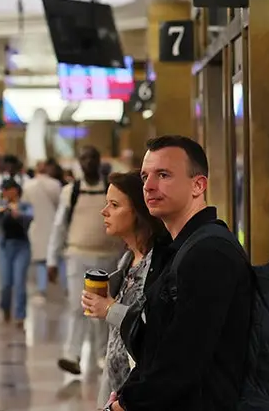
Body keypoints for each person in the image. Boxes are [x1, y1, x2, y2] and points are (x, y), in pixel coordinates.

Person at [105, 136, 252, 411]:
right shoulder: (175, 249)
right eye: (145, 176)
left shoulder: (210, 252)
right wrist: (126, 395)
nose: (148, 186)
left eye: (163, 175)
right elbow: (158, 349)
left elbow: (183, 361)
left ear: (198, 185)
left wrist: (125, 404)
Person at [82, 170, 167, 407]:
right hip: (117, 390)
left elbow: (152, 329)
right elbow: (115, 345)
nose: (104, 211)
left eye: (114, 205)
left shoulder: (157, 264)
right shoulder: (127, 260)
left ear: (138, 212)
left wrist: (109, 308)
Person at [48, 146, 121, 376]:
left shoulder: (109, 190)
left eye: (92, 158)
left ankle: (102, 355)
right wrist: (52, 258)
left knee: (101, 308)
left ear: (99, 161)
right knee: (76, 306)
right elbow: (59, 226)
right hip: (77, 254)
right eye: (83, 158)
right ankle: (72, 354)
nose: (88, 162)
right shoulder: (72, 191)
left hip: (108, 256)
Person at [0, 179, 34, 326]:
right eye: (5, 190)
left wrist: (18, 214)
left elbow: (30, 216)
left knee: (19, 282)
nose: (7, 193)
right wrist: (4, 209)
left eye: (10, 189)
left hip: (21, 246)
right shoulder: (1, 205)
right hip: (5, 247)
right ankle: (5, 307)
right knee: (6, 283)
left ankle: (20, 315)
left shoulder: (24, 205)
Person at [23, 160, 63, 298]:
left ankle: (42, 287)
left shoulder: (28, 185)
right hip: (52, 223)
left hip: (35, 224)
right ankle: (65, 286)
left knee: (40, 258)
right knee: (56, 255)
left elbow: (24, 206)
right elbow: (60, 205)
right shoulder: (55, 184)